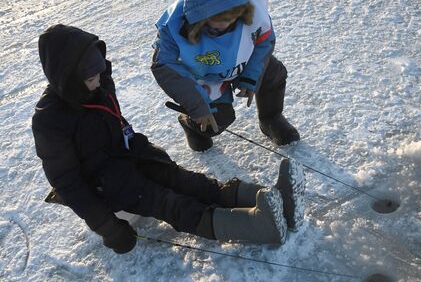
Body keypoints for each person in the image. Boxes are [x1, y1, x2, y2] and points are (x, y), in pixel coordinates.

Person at [32, 24, 305, 254]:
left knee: (192, 183)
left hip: (135, 156)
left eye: (100, 72)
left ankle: (275, 198)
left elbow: (113, 120)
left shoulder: (99, 84)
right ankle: (258, 226)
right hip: (108, 185)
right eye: (91, 78)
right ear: (68, 79)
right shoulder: (50, 121)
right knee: (172, 204)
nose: (100, 80)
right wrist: (109, 229)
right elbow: (68, 183)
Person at [151, 0, 300, 152]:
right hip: (204, 76)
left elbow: (264, 42)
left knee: (273, 73)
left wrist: (251, 77)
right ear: (201, 13)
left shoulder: (254, 10)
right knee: (218, 120)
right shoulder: (172, 27)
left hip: (240, 62)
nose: (226, 23)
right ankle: (190, 124)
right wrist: (197, 105)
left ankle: (271, 118)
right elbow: (164, 66)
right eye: (218, 18)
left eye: (233, 16)